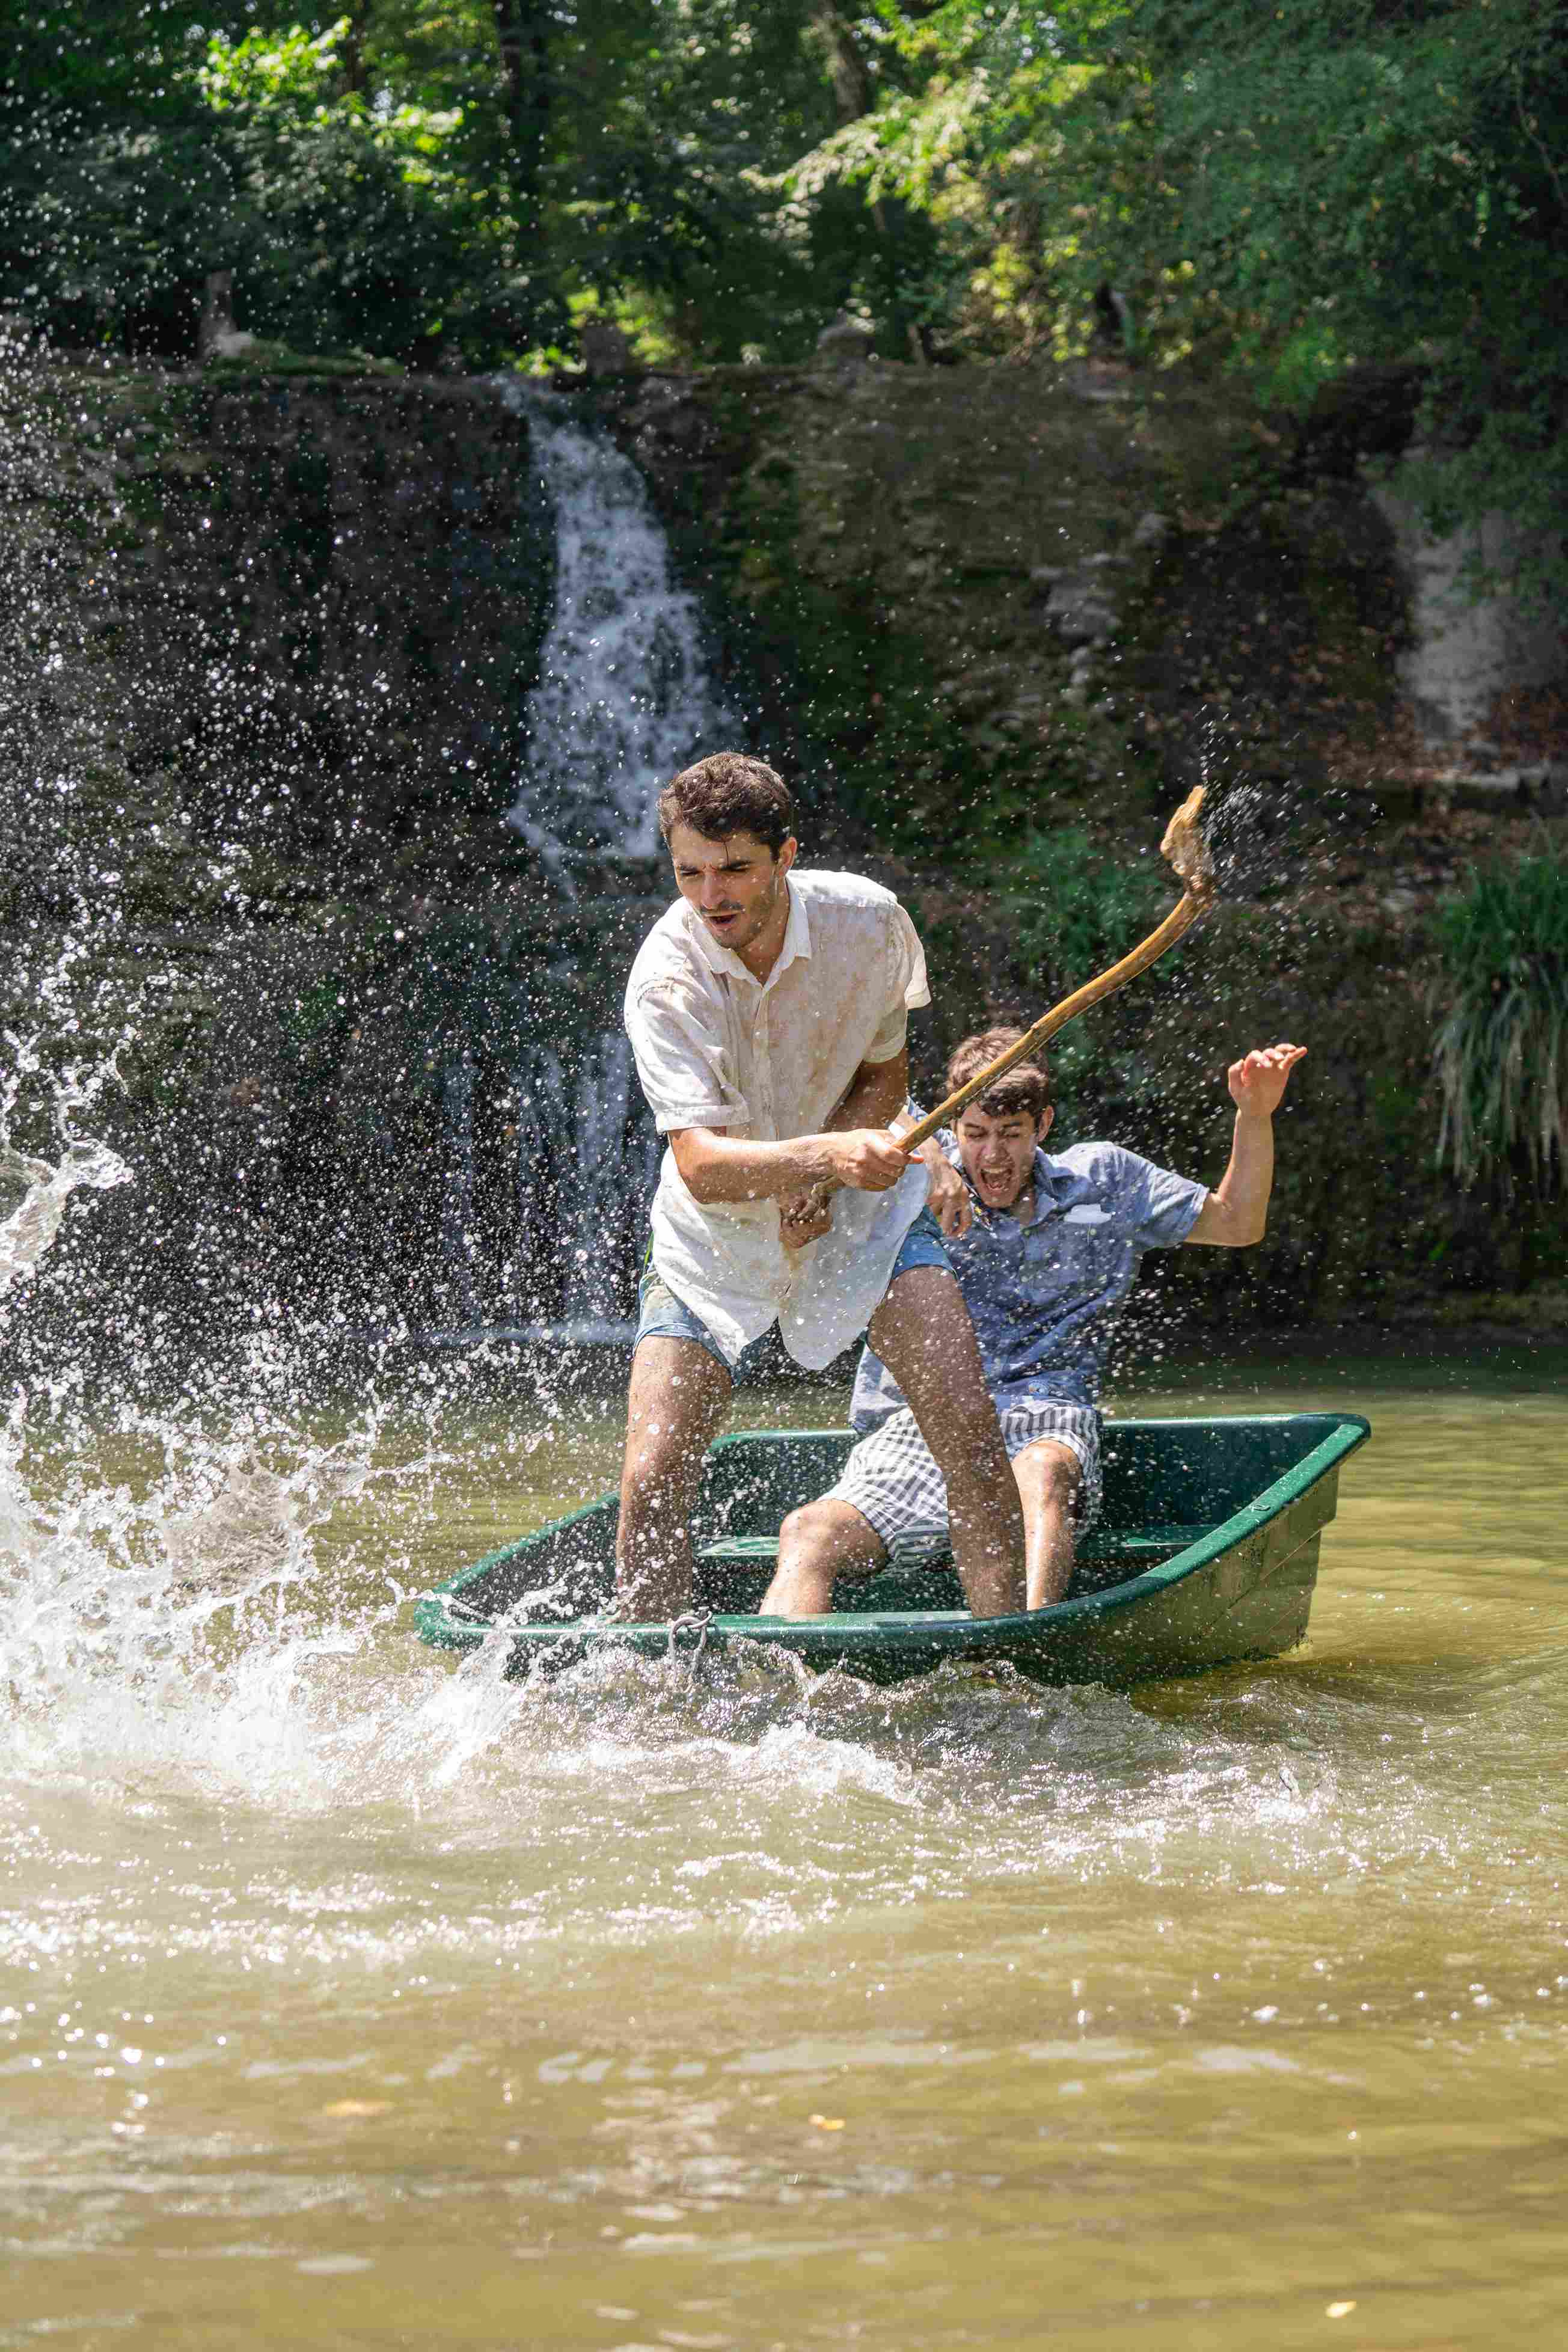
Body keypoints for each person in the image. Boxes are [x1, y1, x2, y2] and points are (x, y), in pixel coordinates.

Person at [616, 754, 1026, 1621]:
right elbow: (702, 1164)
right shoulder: (666, 980)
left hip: (865, 1209)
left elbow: (884, 1073)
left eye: (735, 869)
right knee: (652, 1480)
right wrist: (825, 1160)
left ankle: (1011, 1653)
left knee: (971, 1434)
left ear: (786, 855)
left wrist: (835, 1179)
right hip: (714, 1234)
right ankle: (651, 1705)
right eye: (689, 872)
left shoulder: (870, 923)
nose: (710, 894)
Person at [760, 1026, 1308, 1617]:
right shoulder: (907, 1177)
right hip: (918, 1425)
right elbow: (862, 1104)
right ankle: (781, 1701)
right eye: (974, 1135)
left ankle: (1020, 1662)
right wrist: (926, 1161)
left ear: (1042, 1126)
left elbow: (1238, 1223)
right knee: (807, 1532)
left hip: (1044, 1417)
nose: (992, 1156)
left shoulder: (1105, 1179)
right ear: (952, 1129)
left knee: (1041, 1472)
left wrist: (1254, 1114)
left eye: (1010, 1135)